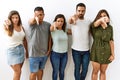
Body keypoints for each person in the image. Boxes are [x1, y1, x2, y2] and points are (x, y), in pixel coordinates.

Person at [68, 3, 91, 80]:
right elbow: (70, 20)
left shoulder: (88, 21)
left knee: (85, 69)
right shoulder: (73, 20)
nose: (81, 12)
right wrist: (73, 18)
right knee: (77, 68)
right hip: (76, 50)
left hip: (86, 50)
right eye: (79, 10)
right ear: (76, 11)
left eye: (83, 11)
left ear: (85, 11)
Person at [90, 9, 114, 80]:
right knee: (95, 71)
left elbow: (111, 41)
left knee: (103, 71)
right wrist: (102, 20)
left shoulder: (110, 28)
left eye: (104, 16)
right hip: (96, 51)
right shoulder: (95, 26)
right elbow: (94, 24)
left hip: (106, 51)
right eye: (101, 16)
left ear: (108, 17)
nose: (103, 17)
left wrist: (113, 54)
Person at [4, 10, 28, 80]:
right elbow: (6, 27)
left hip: (21, 50)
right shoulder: (8, 27)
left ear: (19, 18)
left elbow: (24, 40)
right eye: (13, 18)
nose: (15, 19)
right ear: (10, 19)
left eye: (16, 17)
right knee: (18, 72)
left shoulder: (21, 27)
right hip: (12, 51)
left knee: (18, 72)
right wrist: (7, 24)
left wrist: (27, 52)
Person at [28, 6, 51, 80]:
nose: (39, 17)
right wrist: (35, 19)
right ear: (34, 15)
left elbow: (50, 38)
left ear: (44, 15)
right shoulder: (32, 24)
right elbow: (31, 21)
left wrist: (49, 49)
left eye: (40, 15)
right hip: (34, 54)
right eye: (37, 15)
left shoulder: (48, 25)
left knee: (40, 70)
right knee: (33, 72)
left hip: (44, 53)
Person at [50, 14, 68, 80]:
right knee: (55, 71)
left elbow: (74, 31)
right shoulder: (53, 30)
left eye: (62, 21)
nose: (60, 23)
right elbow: (51, 28)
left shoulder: (65, 30)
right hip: (55, 54)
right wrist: (55, 25)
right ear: (55, 21)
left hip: (64, 54)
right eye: (58, 21)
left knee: (62, 72)